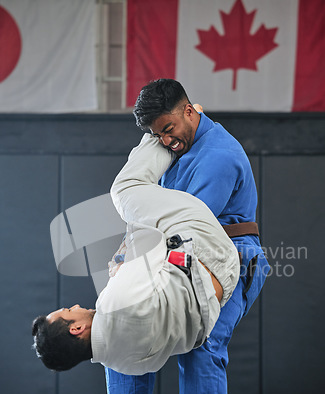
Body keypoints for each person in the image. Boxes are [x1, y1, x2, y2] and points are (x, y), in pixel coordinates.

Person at [79, 79, 270, 394]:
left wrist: (135, 261)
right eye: (155, 135)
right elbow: (151, 217)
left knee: (203, 342)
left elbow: (189, 227)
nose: (166, 140)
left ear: (188, 111)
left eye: (168, 128)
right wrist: (122, 257)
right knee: (117, 332)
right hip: (174, 249)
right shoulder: (170, 143)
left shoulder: (218, 157)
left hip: (229, 255)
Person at [32, 132, 240, 376]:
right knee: (125, 192)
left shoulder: (123, 364)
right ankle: (164, 132)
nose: (75, 305)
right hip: (211, 254)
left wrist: (124, 267)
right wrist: (126, 255)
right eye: (68, 310)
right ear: (76, 328)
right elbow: (148, 235)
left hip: (220, 289)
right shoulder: (112, 304)